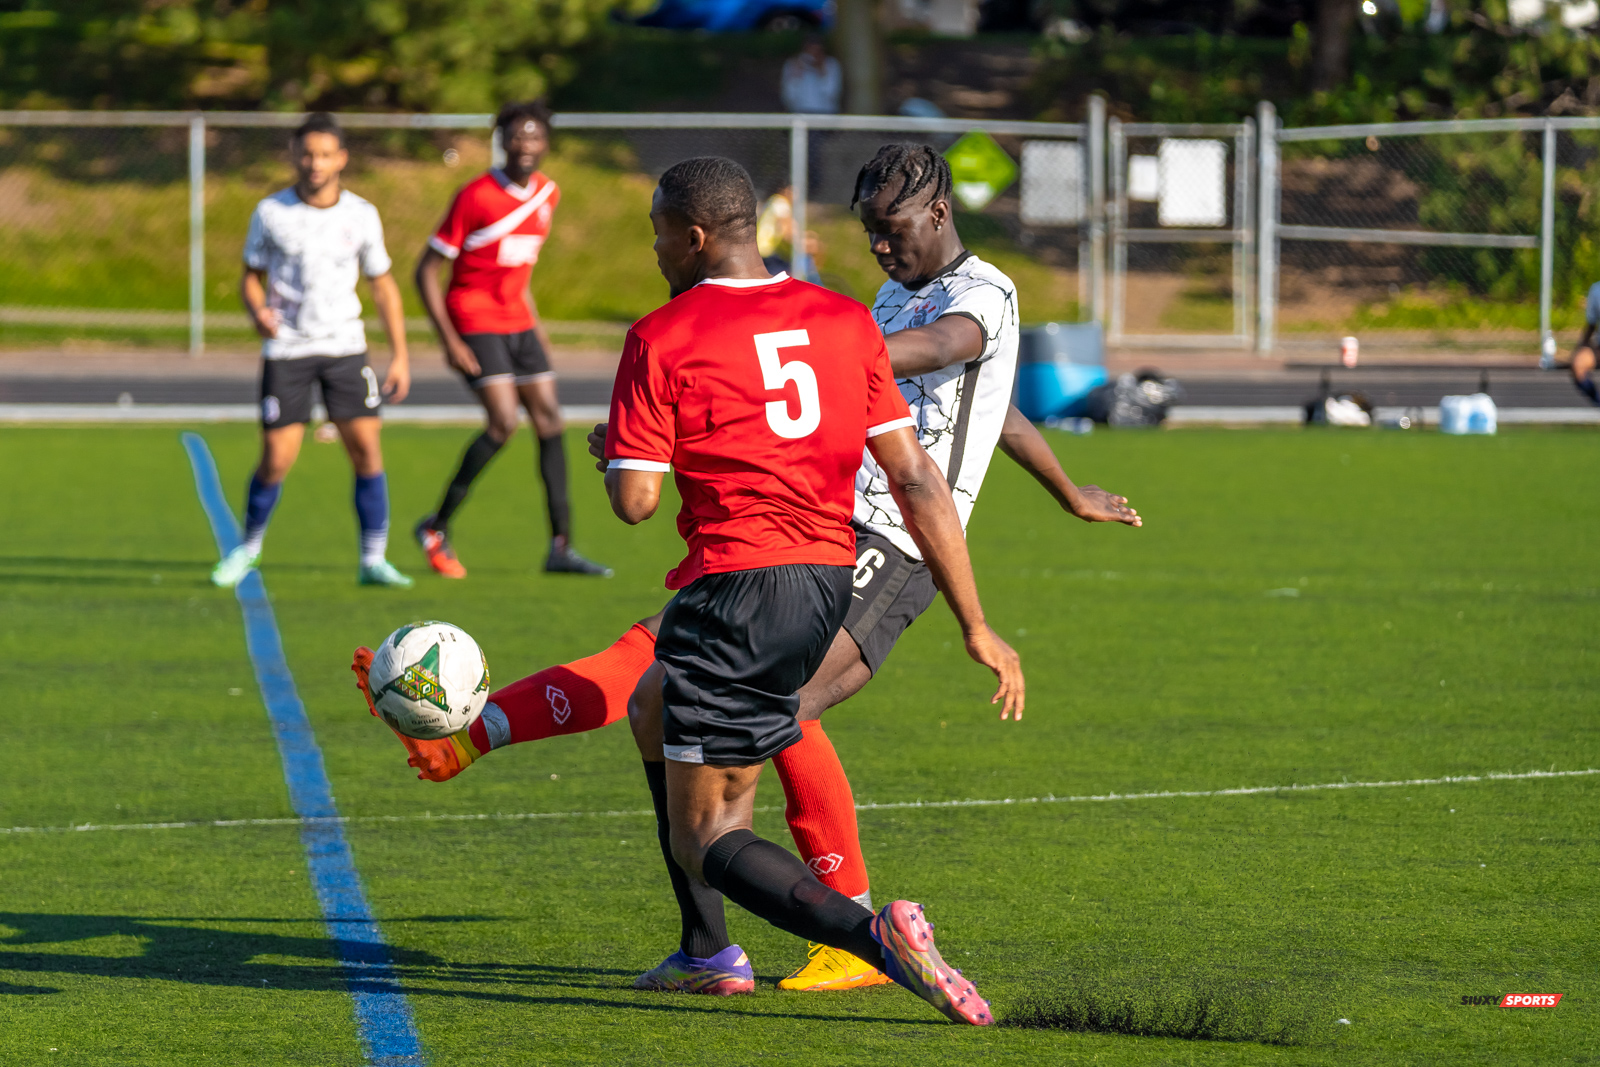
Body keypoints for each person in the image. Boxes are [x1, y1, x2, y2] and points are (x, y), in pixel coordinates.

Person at [354, 144, 1140, 996]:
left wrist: (773, 337)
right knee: (652, 684)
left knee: (772, 723)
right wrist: (1066, 488)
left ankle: (855, 924)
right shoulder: (867, 304)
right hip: (821, 519)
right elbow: (999, 407)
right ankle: (702, 947)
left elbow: (945, 356)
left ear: (940, 213)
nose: (880, 246)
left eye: (893, 228)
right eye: (869, 231)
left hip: (887, 540)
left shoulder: (978, 294)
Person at [604, 155, 1020, 1024]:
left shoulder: (661, 335)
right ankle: (705, 950)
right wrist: (975, 621)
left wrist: (621, 450)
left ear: (691, 237)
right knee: (651, 702)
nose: (653, 253)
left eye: (655, 236)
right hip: (824, 580)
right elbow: (916, 480)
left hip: (731, 591)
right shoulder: (842, 321)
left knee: (709, 834)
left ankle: (875, 938)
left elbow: (636, 503)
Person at [212, 113, 413, 589]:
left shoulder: (361, 214)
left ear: (341, 158)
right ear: (294, 156)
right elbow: (250, 277)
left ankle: (373, 559)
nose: (315, 163)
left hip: (345, 348)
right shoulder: (271, 212)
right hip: (288, 351)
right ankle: (249, 548)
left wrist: (400, 354)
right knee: (277, 458)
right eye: (307, 154)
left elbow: (383, 286)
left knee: (366, 450)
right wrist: (257, 310)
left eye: (325, 154)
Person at [412, 100, 610, 580]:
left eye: (535, 136)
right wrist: (449, 341)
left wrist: (536, 328)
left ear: (547, 143)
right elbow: (427, 271)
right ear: (500, 140)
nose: (526, 144)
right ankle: (436, 527)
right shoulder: (475, 195)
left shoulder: (549, 194)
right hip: (474, 318)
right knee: (502, 422)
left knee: (549, 420)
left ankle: (561, 547)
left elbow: (520, 272)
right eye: (516, 135)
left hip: (519, 321)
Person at [780, 37, 842, 115]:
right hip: (799, 114)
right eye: (810, 50)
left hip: (826, 115)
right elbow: (788, 97)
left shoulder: (832, 65)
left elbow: (832, 94)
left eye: (818, 51)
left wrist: (821, 71)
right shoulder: (792, 64)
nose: (814, 54)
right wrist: (796, 76)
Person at [1568, 282, 1600, 405]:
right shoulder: (1596, 290)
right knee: (1578, 364)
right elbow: (1591, 324)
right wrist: (1582, 345)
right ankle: (1597, 400)